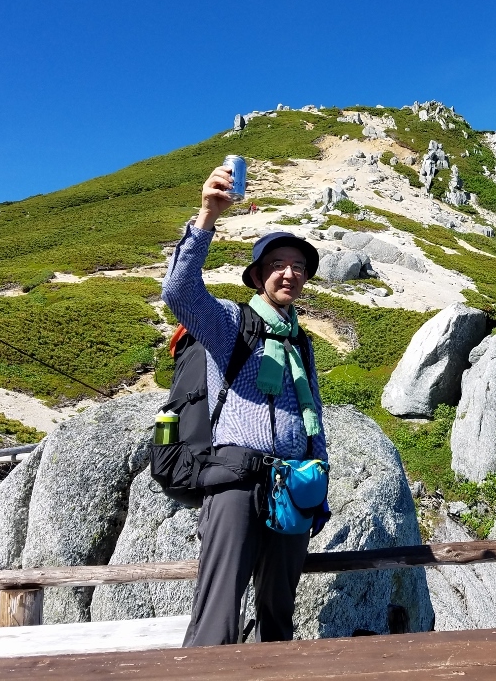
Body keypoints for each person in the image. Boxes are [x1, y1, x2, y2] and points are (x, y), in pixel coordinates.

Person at [162, 164, 328, 646]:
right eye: (277, 264)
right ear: (257, 276)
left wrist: (321, 479)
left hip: (293, 485)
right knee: (218, 613)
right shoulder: (228, 323)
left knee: (278, 613)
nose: (289, 273)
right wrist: (207, 216)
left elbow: (311, 414)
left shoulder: (301, 342)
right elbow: (179, 292)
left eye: (298, 266)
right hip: (236, 481)